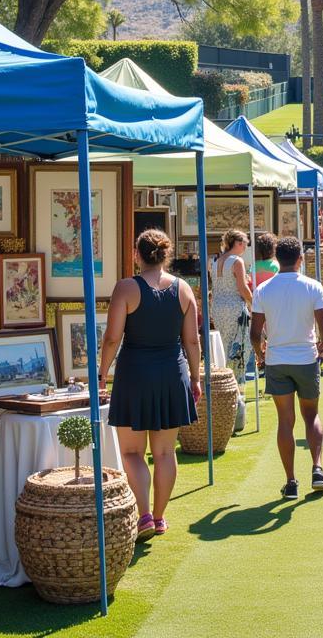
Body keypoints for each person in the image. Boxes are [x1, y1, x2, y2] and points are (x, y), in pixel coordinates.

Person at [103, 230, 201, 540]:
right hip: (173, 375)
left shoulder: (126, 288)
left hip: (134, 375)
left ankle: (143, 514)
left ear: (137, 254)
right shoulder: (184, 289)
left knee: (132, 453)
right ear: (166, 254)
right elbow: (192, 340)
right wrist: (196, 378)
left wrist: (100, 374)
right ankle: (159, 517)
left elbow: (112, 338)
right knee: (164, 454)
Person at [251, 237, 323, 498]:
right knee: (311, 415)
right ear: (299, 259)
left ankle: (291, 480)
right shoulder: (313, 286)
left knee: (285, 420)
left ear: (277, 258)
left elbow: (255, 332)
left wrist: (259, 354)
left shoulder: (263, 289)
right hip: (305, 357)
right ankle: (317, 467)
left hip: (277, 358)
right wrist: (322, 345)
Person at [212, 230, 252, 367]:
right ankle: (236, 380)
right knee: (239, 346)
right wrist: (253, 302)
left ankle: (224, 377)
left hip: (217, 307)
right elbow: (242, 288)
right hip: (234, 306)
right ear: (238, 243)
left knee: (224, 345)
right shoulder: (237, 261)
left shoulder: (215, 261)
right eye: (244, 244)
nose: (245, 248)